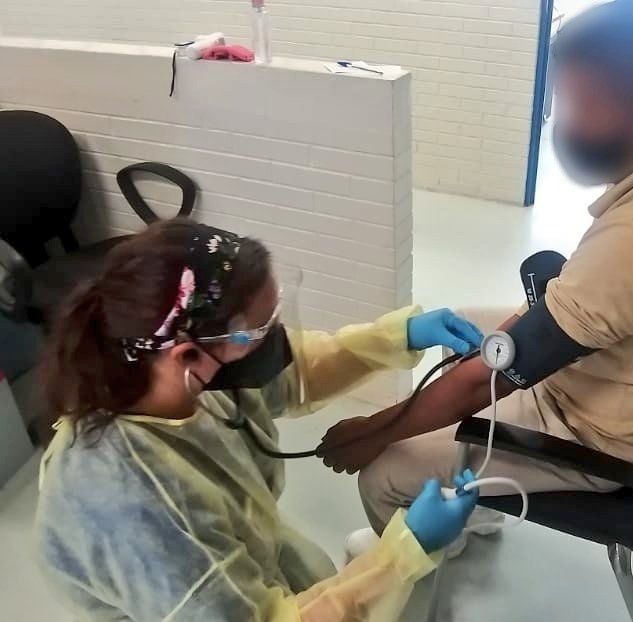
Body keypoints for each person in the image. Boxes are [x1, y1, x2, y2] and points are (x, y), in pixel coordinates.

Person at [318, 0, 633, 550]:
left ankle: (422, 564)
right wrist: (508, 342)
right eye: (565, 102)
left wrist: (374, 431)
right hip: (616, 377)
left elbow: (487, 378)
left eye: (586, 106)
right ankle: (479, 506)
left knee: (385, 468)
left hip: (590, 433)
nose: (566, 126)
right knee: (466, 326)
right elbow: (530, 336)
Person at [34, 219, 483, 621]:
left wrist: (396, 336)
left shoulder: (185, 380)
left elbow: (297, 371)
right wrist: (402, 556)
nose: (275, 343)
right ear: (187, 356)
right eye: (259, 331)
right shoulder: (128, 502)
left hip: (253, 565)